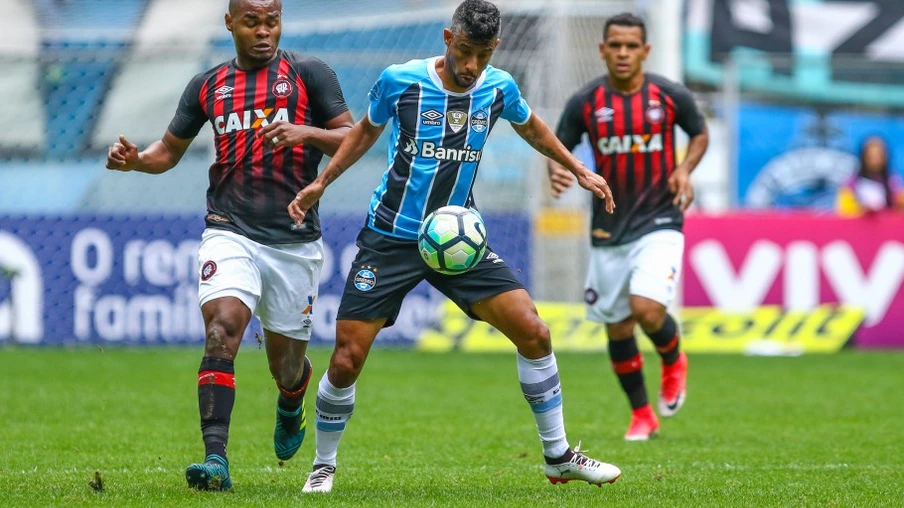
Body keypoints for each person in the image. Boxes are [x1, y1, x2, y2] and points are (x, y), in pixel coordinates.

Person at [287, 0, 621, 494]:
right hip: (391, 237)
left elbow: (531, 127)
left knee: (534, 331)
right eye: (465, 51)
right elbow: (362, 134)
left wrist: (579, 168)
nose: (471, 67)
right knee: (346, 358)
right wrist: (323, 184)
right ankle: (324, 464)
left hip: (457, 239)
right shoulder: (401, 81)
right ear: (448, 38)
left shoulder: (498, 87)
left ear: (495, 49)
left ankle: (557, 456)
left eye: (482, 55)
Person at [104, 0, 353, 491]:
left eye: (272, 21)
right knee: (221, 330)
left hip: (293, 241)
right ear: (230, 24)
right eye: (252, 22)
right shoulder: (207, 85)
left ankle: (291, 396)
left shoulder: (310, 74)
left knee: (285, 366)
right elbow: (167, 152)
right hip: (229, 228)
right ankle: (215, 459)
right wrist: (136, 160)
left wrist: (305, 132)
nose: (264, 32)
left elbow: (352, 136)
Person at [548, 13, 709, 441]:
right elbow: (558, 145)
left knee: (647, 310)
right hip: (608, 226)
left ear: (645, 51)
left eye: (631, 46)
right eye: (615, 45)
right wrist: (558, 169)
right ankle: (642, 415)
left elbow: (699, 133)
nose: (622, 53)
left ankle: (673, 360)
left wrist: (686, 170)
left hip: (661, 218)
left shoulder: (669, 96)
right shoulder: (585, 102)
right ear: (602, 50)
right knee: (617, 326)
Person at [836, 135, 904, 216]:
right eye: (871, 156)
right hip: (859, 226)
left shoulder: (893, 182)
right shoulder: (852, 182)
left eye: (879, 155)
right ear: (863, 156)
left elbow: (899, 209)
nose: (875, 160)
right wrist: (862, 211)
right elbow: (843, 211)